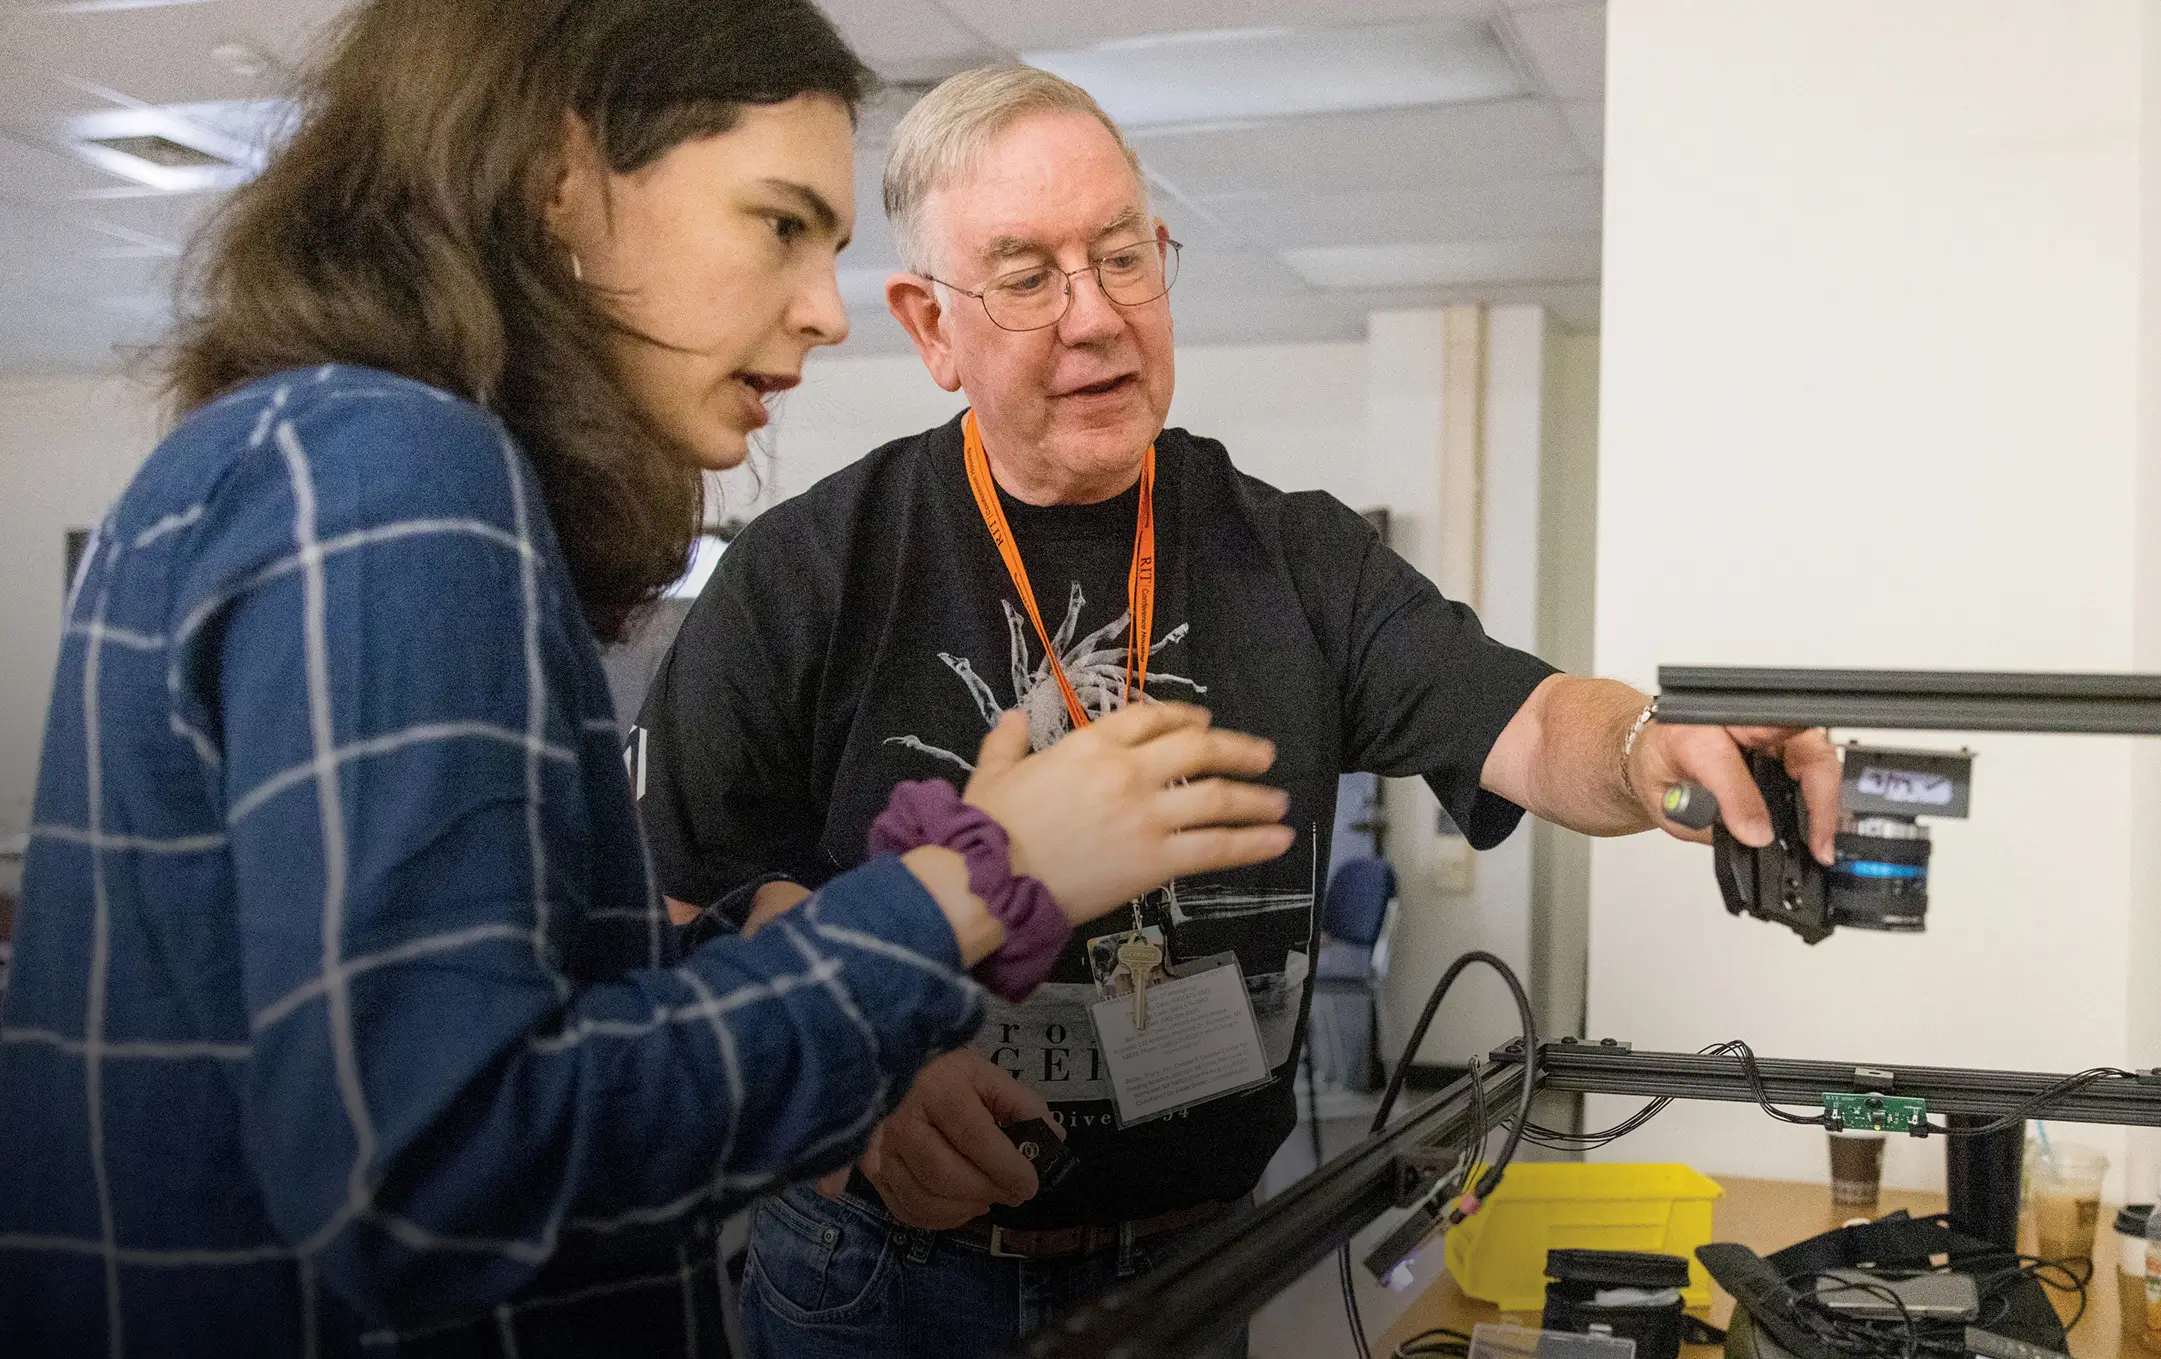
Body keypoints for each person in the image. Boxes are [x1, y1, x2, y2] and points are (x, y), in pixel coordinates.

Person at [0, 5, 1292, 1355]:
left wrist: (769, 955)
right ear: (563, 179)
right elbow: (430, 1175)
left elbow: (494, 1003)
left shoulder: (311, 452)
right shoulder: (400, 481)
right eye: (779, 224)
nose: (817, 313)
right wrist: (976, 881)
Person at [634, 65, 1844, 1358]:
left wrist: (1655, 743)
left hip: (1196, 1264)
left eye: (1122, 256)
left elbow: (1537, 722)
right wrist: (842, 1084)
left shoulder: (1298, 556)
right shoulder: (806, 573)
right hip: (884, 1277)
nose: (1095, 316)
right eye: (1030, 276)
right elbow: (664, 919)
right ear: (931, 324)